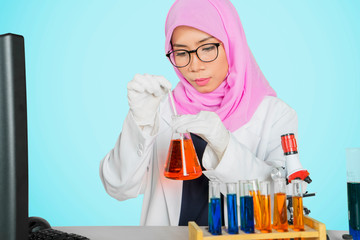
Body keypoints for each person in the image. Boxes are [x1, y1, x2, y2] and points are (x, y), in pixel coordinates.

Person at [99, 0, 298, 226]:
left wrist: (226, 148)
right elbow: (118, 187)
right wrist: (140, 123)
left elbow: (282, 204)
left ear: (231, 44)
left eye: (207, 48)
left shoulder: (275, 115)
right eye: (182, 52)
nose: (194, 66)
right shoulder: (160, 107)